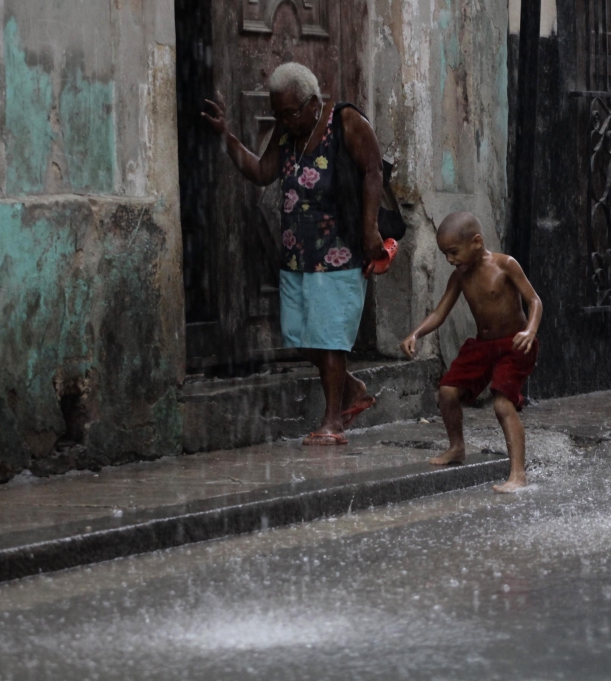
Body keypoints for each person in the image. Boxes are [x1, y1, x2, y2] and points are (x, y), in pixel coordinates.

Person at [201, 62, 387, 445]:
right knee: (301, 337)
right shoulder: (287, 134)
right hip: (296, 256)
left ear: (312, 102)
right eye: (279, 113)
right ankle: (351, 387)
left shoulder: (345, 121)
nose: (284, 120)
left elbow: (372, 171)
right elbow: (260, 171)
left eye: (290, 112)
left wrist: (370, 231)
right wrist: (226, 136)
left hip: (338, 253)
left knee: (330, 338)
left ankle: (333, 419)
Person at [400, 212, 543, 493]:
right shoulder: (460, 277)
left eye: (453, 252)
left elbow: (534, 299)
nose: (450, 260)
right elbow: (441, 312)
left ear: (476, 242)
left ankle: (518, 474)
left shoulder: (505, 265)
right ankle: (457, 447)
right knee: (447, 392)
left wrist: (531, 330)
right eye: (445, 254)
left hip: (515, 345)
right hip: (482, 345)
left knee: (503, 405)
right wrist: (415, 333)